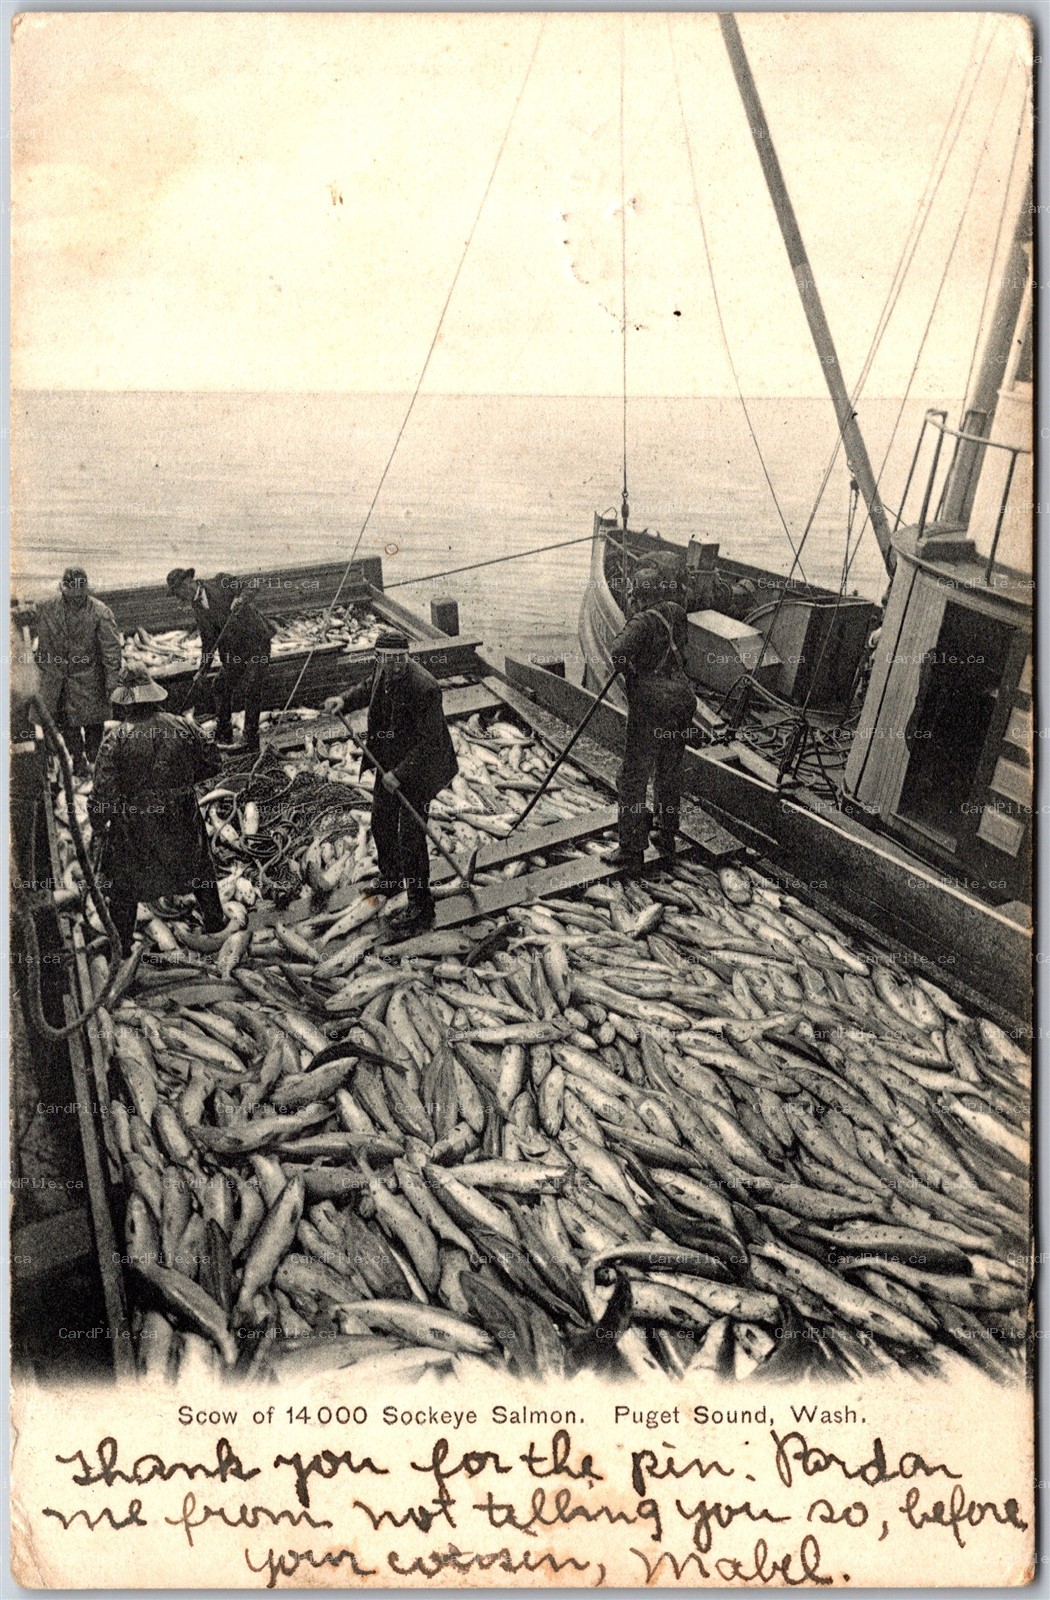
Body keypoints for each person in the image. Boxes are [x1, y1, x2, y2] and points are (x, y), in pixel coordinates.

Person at [88, 665, 227, 953]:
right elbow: (214, 761)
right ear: (153, 696)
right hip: (182, 817)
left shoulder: (115, 740)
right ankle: (215, 923)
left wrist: (99, 824)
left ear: (125, 702)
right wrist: (182, 785)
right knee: (199, 869)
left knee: (124, 888)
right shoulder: (183, 725)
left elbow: (103, 794)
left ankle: (122, 946)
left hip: (136, 827)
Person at [337, 630, 458, 936]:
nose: (394, 665)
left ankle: (421, 905)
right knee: (381, 821)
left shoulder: (425, 688)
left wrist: (400, 774)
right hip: (389, 761)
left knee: (411, 836)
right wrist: (344, 700)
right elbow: (368, 689)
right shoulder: (382, 669)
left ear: (408, 656)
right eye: (388, 659)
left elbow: (430, 743)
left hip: (421, 769)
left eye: (400, 659)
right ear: (379, 658)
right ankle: (392, 877)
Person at [606, 567, 698, 877]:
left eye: (632, 596)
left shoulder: (642, 621)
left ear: (638, 597)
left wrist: (630, 669)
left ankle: (631, 850)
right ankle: (665, 833)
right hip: (682, 701)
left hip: (653, 705)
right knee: (669, 770)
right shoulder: (676, 612)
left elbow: (617, 651)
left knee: (632, 777)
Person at [165, 567, 274, 751]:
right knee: (220, 685)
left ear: (187, 583)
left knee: (252, 687)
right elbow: (209, 641)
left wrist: (241, 599)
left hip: (256, 643)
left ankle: (250, 739)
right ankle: (224, 733)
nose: (178, 598)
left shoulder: (220, 581)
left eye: (178, 592)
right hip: (234, 652)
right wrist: (202, 670)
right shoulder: (197, 607)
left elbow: (252, 585)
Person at [34, 568, 123, 778]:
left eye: (78, 595)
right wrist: (46, 675)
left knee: (93, 726)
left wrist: (112, 682)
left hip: (91, 679)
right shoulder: (49, 608)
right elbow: (43, 647)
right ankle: (77, 760)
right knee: (67, 724)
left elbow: (111, 650)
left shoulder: (101, 612)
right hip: (60, 679)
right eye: (70, 595)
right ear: (63, 591)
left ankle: (96, 762)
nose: (74, 599)